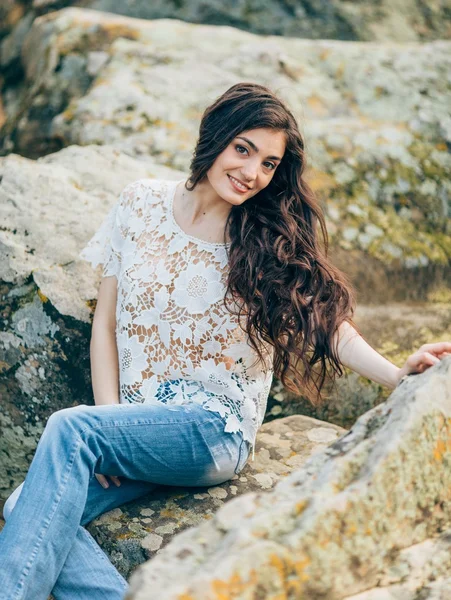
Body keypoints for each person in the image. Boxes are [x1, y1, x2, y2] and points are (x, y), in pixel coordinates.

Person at [1, 82, 449, 600]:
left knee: (69, 431)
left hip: (213, 429)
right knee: (23, 504)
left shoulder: (262, 238)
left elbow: (325, 322)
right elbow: (106, 323)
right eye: (244, 149)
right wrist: (112, 429)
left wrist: (397, 376)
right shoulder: (139, 203)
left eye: (269, 163)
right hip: (141, 428)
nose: (253, 173)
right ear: (216, 136)